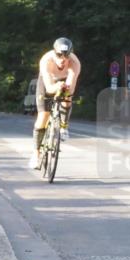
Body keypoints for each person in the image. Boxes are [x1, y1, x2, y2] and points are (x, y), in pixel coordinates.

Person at [31, 37, 81, 170]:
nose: (62, 59)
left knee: (67, 97)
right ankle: (35, 155)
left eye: (66, 55)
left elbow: (70, 88)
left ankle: (64, 126)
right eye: (59, 55)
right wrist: (57, 87)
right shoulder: (46, 61)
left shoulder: (75, 63)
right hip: (48, 82)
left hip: (64, 81)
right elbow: (49, 88)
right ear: (54, 53)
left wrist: (64, 89)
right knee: (43, 117)